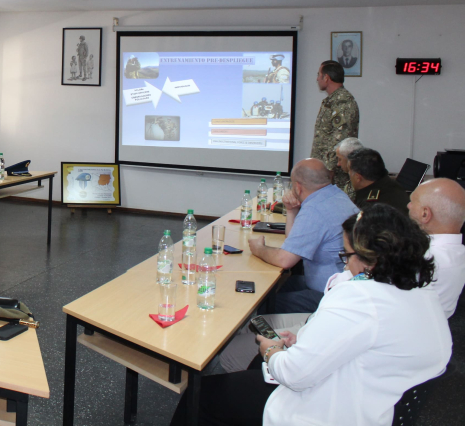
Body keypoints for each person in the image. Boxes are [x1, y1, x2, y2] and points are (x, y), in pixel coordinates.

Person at [176, 206, 451, 426]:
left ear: (373, 259)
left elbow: (294, 374)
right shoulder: (423, 295)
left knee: (199, 397)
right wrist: (304, 339)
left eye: (348, 255)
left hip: (323, 409)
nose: (347, 264)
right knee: (248, 375)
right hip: (370, 403)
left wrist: (272, 351)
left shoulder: (360, 298)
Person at [249, 158, 358, 313]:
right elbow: (293, 243)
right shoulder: (336, 195)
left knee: (259, 303)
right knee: (274, 287)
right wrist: (292, 210)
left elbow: (285, 260)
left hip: (329, 295)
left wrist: (259, 249)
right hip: (340, 285)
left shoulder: (315, 209)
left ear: (297, 187)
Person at [408, 178, 465, 317]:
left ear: (425, 214)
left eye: (413, 201)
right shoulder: (456, 252)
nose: (408, 205)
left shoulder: (426, 259)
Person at [311, 60, 359, 192]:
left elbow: (340, 139)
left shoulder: (342, 102)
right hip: (325, 171)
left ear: (326, 78)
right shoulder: (331, 101)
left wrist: (329, 169)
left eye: (319, 75)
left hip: (335, 176)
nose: (317, 78)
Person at [348, 148, 409, 215]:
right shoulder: (391, 184)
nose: (349, 175)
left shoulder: (371, 206)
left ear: (358, 178)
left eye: (349, 172)